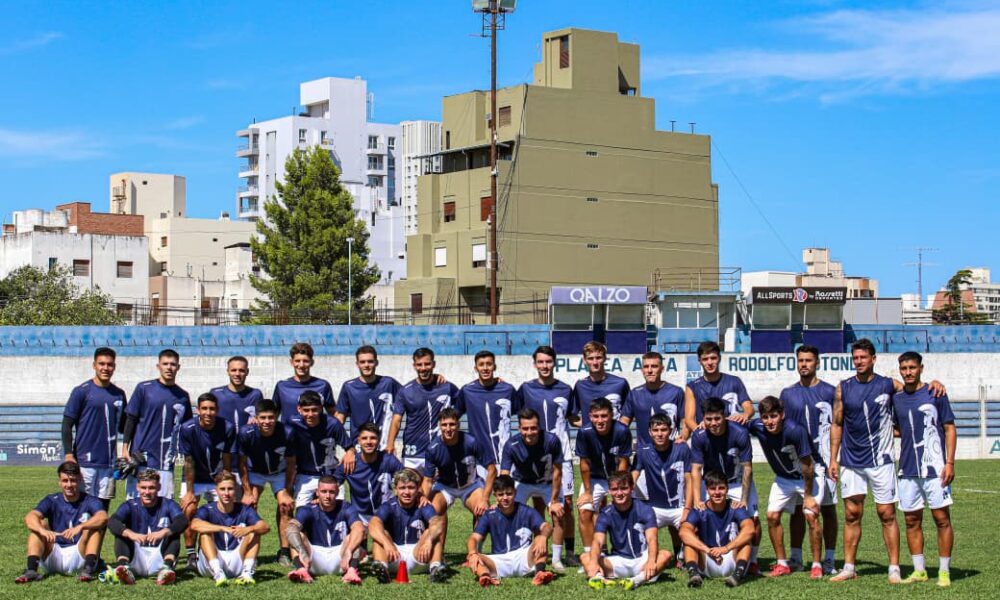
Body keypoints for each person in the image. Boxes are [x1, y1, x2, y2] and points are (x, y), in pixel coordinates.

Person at [829, 338, 946, 583]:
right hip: (851, 461)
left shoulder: (889, 385)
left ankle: (894, 568)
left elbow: (916, 390)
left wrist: (934, 383)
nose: (859, 361)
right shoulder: (843, 388)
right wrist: (833, 459)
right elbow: (837, 424)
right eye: (855, 358)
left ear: (873, 359)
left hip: (881, 461)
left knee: (887, 514)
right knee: (851, 514)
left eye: (863, 357)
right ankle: (849, 567)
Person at [892, 351, 956, 587]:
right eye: (904, 368)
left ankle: (944, 571)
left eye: (912, 367)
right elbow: (898, 428)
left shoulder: (935, 393)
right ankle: (919, 570)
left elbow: (949, 428)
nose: (908, 372)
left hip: (935, 469)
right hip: (907, 469)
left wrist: (950, 463)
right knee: (911, 520)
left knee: (942, 519)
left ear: (921, 368)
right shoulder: (897, 399)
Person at [747, 396, 826, 579]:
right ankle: (782, 564)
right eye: (765, 417)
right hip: (784, 478)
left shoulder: (795, 430)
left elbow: (808, 465)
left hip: (810, 475)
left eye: (773, 416)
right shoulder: (758, 426)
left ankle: (816, 565)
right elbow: (737, 425)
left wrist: (808, 496)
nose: (769, 421)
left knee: (811, 515)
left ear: (782, 415)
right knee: (772, 516)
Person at [515, 345, 578, 570]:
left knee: (565, 504)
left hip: (562, 454)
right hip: (536, 454)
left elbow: (573, 418)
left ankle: (568, 552)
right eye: (540, 362)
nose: (545, 366)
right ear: (535, 364)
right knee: (539, 503)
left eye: (548, 361)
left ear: (555, 363)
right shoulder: (526, 389)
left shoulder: (566, 389)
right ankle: (536, 549)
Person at [779, 345, 838, 574]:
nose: (804, 364)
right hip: (799, 462)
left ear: (817, 363)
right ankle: (796, 557)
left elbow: (838, 425)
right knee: (797, 510)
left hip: (824, 460)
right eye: (801, 360)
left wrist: (834, 459)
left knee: (828, 510)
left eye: (809, 360)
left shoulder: (830, 391)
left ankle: (829, 559)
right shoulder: (787, 394)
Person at [689, 397, 761, 573]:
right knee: (698, 517)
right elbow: (696, 469)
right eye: (709, 419)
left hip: (736, 481)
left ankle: (752, 561)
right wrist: (697, 499)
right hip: (713, 483)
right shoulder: (699, 435)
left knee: (753, 518)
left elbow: (747, 468)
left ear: (725, 416)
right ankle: (699, 560)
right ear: (703, 418)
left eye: (717, 418)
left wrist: (744, 499)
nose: (713, 423)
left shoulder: (739, 432)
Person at [15, 461, 108, 583]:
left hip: (78, 554)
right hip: (54, 553)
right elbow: (30, 517)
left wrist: (80, 527)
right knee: (39, 525)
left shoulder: (90, 500)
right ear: (59, 482)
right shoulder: (52, 500)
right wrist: (42, 530)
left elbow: (103, 517)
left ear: (80, 480)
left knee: (93, 528)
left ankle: (87, 570)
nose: (69, 485)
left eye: (73, 480)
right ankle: (31, 570)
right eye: (65, 481)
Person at [62, 347, 127, 511]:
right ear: (94, 365)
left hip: (108, 462)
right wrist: (69, 454)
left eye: (109, 364)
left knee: (102, 510)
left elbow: (124, 427)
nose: (105, 368)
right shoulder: (81, 391)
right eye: (101, 364)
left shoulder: (119, 394)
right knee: (81, 509)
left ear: (114, 367)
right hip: (85, 462)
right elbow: (67, 424)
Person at [122, 349, 192, 499]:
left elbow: (186, 430)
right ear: (158, 366)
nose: (169, 367)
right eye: (165, 364)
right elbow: (131, 419)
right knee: (136, 505)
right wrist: (124, 449)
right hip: (141, 459)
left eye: (173, 364)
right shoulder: (144, 389)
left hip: (166, 462)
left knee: (164, 506)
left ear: (178, 367)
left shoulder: (183, 397)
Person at [583, 470, 671, 590]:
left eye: (624, 488)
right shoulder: (605, 513)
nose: (619, 493)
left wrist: (651, 561)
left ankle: (636, 581)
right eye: (614, 489)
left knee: (665, 555)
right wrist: (594, 562)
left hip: (641, 560)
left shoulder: (645, 509)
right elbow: (598, 541)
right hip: (618, 561)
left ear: (632, 488)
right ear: (609, 491)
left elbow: (652, 539)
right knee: (586, 557)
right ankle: (599, 578)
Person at [500, 408, 565, 567]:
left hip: (547, 483)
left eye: (533, 428)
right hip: (522, 482)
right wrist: (503, 497)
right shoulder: (511, 444)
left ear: (539, 427)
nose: (529, 432)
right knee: (509, 512)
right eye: (525, 428)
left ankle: (556, 559)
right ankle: (515, 551)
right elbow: (504, 474)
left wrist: (554, 500)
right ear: (519, 428)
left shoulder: (551, 440)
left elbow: (557, 472)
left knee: (558, 514)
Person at [178, 392, 236, 569]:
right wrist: (189, 492)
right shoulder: (187, 428)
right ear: (198, 410)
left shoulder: (227, 427)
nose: (208, 413)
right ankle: (191, 555)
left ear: (217, 410)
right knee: (189, 509)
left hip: (217, 478)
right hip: (194, 478)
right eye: (204, 409)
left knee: (223, 512)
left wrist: (226, 483)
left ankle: (218, 551)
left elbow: (227, 458)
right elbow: (188, 462)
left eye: (212, 409)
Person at [466, 475, 554, 587]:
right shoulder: (489, 515)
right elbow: (473, 538)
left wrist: (542, 537)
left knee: (540, 540)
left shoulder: (526, 511)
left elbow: (547, 527)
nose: (505, 498)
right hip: (498, 561)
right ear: (495, 495)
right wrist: (472, 553)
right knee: (474, 558)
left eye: (509, 493)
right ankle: (486, 576)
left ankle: (539, 573)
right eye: (500, 494)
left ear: (515, 493)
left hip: (524, 557)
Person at [237, 399, 295, 566]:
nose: (267, 421)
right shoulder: (246, 433)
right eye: (263, 418)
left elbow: (291, 463)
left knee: (285, 506)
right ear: (256, 418)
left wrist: (288, 491)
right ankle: (250, 552)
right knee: (250, 505)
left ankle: (284, 552)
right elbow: (241, 463)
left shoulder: (287, 432)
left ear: (276, 416)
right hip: (255, 472)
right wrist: (247, 492)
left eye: (271, 417)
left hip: (279, 473)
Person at [106, 469, 187, 585]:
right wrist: (131, 534)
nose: (147, 492)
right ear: (137, 487)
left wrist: (164, 532)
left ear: (159, 487)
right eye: (143, 488)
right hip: (135, 558)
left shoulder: (168, 504)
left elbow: (182, 521)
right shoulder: (130, 505)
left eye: (151, 488)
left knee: (173, 532)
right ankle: (124, 568)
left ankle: (166, 569)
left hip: (160, 557)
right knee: (122, 533)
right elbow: (112, 521)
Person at [631, 413, 693, 562]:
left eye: (664, 430)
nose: (660, 434)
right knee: (636, 526)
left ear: (671, 430)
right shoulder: (643, 451)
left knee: (693, 529)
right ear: (650, 432)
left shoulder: (682, 448)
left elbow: (689, 480)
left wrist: (688, 509)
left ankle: (682, 557)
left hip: (679, 507)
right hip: (654, 508)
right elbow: (633, 476)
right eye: (656, 430)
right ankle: (644, 557)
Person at [422, 408, 493, 536]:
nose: (448, 429)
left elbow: (492, 469)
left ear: (458, 425)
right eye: (444, 425)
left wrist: (485, 498)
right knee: (431, 512)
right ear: (439, 426)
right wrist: (423, 499)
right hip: (445, 486)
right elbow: (427, 480)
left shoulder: (471, 442)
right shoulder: (433, 448)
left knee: (482, 511)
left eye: (452, 424)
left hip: (470, 485)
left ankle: (475, 548)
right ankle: (438, 549)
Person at [386, 347, 461, 470]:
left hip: (440, 451)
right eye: (419, 364)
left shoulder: (447, 388)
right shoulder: (405, 391)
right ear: (414, 366)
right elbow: (396, 420)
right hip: (412, 452)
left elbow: (464, 405)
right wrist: (390, 444)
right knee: (408, 483)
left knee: (437, 483)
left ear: (433, 364)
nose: (423, 368)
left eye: (427, 364)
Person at [190, 471, 269, 586]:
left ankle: (247, 573)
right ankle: (218, 573)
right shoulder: (207, 509)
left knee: (254, 532)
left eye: (230, 489)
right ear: (216, 490)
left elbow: (265, 527)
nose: (226, 493)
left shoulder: (244, 509)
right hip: (211, 563)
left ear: (236, 490)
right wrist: (223, 528)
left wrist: (248, 529)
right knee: (205, 533)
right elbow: (194, 525)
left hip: (236, 560)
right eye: (222, 489)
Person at [368, 469, 448, 583]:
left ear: (418, 489)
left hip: (419, 555)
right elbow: (373, 524)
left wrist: (429, 541)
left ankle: (435, 570)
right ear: (396, 490)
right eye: (402, 488)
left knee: (432, 534)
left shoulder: (423, 505)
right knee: (381, 535)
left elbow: (438, 523)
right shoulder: (389, 505)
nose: (407, 492)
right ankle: (383, 570)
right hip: (394, 555)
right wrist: (386, 543)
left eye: (411, 487)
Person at [575, 397, 633, 556]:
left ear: (612, 415)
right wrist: (588, 492)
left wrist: (618, 488)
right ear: (590, 416)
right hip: (595, 479)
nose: (600, 420)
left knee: (625, 510)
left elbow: (623, 462)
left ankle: (625, 550)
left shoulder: (622, 430)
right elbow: (584, 464)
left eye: (604, 416)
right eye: (596, 416)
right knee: (584, 510)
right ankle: (591, 555)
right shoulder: (584, 432)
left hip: (617, 478)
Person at [680, 471, 755, 588]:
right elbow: (684, 532)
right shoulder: (700, 510)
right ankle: (694, 574)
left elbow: (750, 529)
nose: (717, 492)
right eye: (712, 489)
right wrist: (706, 549)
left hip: (731, 558)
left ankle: (737, 576)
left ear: (727, 489)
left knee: (745, 542)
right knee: (689, 543)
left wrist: (726, 548)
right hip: (707, 558)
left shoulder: (736, 507)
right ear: (707, 490)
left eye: (721, 488)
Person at [285, 476, 366, 585]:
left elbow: (359, 529)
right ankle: (301, 570)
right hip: (312, 559)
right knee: (296, 535)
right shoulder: (308, 509)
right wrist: (302, 551)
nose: (327, 496)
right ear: (317, 492)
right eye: (324, 491)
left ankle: (351, 572)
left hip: (342, 559)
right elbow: (291, 529)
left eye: (331, 492)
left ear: (337, 492)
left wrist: (348, 551)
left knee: (354, 536)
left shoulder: (346, 507)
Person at [286, 390, 350, 508]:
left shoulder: (333, 424)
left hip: (331, 474)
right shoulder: (292, 423)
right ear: (299, 409)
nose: (310, 414)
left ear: (321, 408)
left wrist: (349, 455)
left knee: (337, 512)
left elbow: (349, 448)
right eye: (306, 410)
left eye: (314, 410)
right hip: (305, 475)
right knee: (302, 513)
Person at [459, 350, 516, 472]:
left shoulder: (508, 389)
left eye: (489, 364)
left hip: (506, 458)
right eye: (481, 364)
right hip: (480, 460)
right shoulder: (467, 391)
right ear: (476, 368)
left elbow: (523, 416)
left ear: (494, 366)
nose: (485, 368)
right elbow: (453, 417)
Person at [334, 422, 404, 522]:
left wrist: (420, 494)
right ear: (359, 441)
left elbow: (408, 478)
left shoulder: (388, 460)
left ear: (379, 440)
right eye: (364, 438)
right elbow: (332, 484)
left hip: (386, 514)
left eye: (373, 438)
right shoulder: (350, 462)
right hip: (359, 516)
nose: (369, 442)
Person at [334, 345, 402, 449]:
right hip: (359, 447)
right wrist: (347, 447)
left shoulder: (389, 383)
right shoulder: (349, 387)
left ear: (376, 363)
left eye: (370, 361)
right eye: (362, 362)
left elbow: (411, 397)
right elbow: (340, 418)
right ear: (357, 364)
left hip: (383, 447)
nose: (366, 365)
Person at [683, 341, 754, 433]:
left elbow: (749, 407)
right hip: (707, 436)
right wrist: (700, 433)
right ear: (699, 361)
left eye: (713, 358)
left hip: (732, 435)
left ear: (719, 358)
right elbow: (689, 419)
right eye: (705, 359)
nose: (709, 362)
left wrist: (745, 414)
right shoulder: (692, 387)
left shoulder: (734, 381)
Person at [621, 351, 687, 444]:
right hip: (643, 450)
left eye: (654, 366)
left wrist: (682, 439)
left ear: (662, 369)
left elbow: (686, 423)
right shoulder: (634, 394)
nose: (649, 370)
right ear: (642, 370)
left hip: (671, 450)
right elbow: (624, 423)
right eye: (646, 367)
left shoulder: (676, 392)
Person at [271, 343, 335, 424]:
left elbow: (334, 415)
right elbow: (272, 416)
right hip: (289, 432)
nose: (301, 365)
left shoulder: (323, 385)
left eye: (305, 361)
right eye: (297, 361)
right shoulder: (282, 386)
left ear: (312, 362)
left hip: (316, 432)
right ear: (291, 362)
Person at [571, 341, 630, 425]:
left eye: (598, 358)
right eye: (590, 358)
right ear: (584, 360)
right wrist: (587, 426)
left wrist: (618, 429)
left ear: (605, 358)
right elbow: (572, 416)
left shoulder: (620, 383)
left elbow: (629, 413)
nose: (595, 362)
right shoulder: (580, 386)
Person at [209, 356, 263, 429]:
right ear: (228, 371)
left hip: (246, 436)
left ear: (247, 372)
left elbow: (263, 418)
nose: (237, 374)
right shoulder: (216, 394)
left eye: (241, 370)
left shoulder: (255, 395)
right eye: (233, 370)